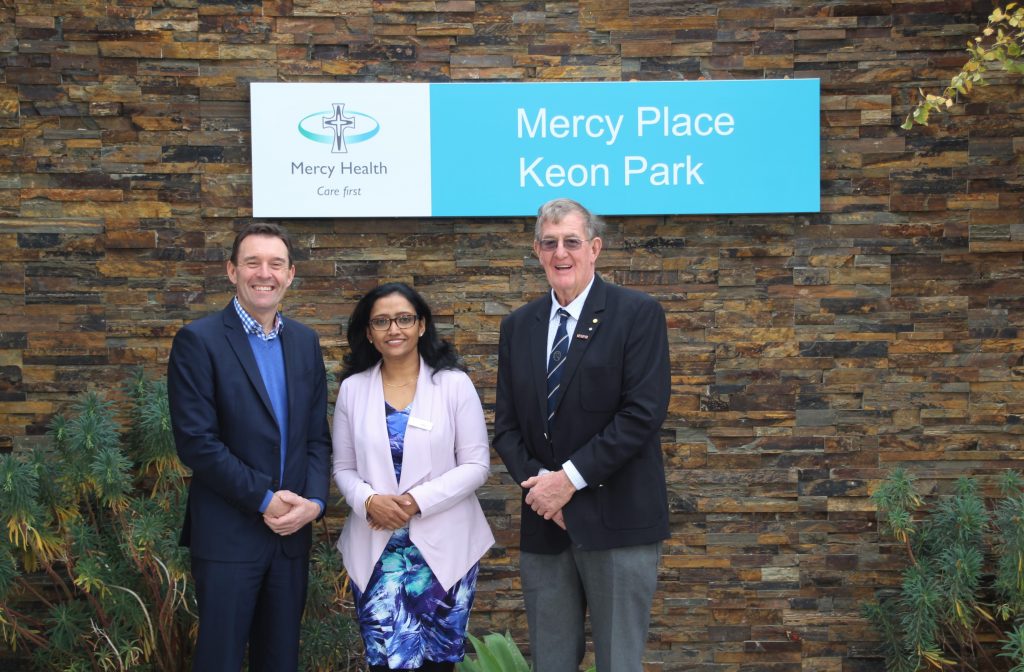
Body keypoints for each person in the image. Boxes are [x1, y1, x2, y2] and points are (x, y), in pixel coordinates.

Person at [493, 198, 671, 672]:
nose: (561, 253)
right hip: (546, 526)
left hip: (619, 522)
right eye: (549, 243)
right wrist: (544, 493)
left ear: (594, 248)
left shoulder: (637, 314)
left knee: (618, 664)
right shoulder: (518, 326)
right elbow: (506, 428)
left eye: (571, 241)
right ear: (537, 251)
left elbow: (642, 414)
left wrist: (567, 482)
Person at [167, 222, 332, 671]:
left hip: (290, 538)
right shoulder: (198, 340)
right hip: (228, 537)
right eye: (252, 262)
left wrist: (315, 503)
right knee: (218, 660)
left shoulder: (304, 342)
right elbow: (197, 443)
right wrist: (264, 498)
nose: (265, 273)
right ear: (232, 271)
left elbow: (316, 437)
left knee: (280, 661)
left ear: (290, 274)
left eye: (276, 264)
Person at [332, 282, 494, 672]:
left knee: (439, 664)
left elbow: (476, 465)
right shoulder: (353, 390)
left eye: (404, 319)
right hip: (378, 551)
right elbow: (343, 468)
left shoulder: (453, 384)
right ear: (369, 332)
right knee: (385, 663)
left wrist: (416, 501)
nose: (394, 329)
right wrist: (369, 500)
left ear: (421, 326)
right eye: (382, 321)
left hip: (444, 549)